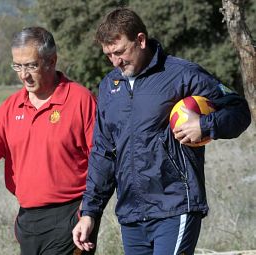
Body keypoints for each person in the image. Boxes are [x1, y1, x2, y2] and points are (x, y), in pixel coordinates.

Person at [72, 7, 251, 255]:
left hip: (175, 206)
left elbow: (238, 110)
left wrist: (205, 125)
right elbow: (103, 153)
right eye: (109, 55)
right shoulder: (109, 87)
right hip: (131, 215)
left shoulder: (182, 74)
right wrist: (90, 212)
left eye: (120, 52)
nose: (115, 61)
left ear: (141, 40)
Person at [0, 26, 98, 255]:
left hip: (71, 217)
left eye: (31, 65)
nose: (23, 75)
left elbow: (101, 162)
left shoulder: (80, 100)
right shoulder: (11, 107)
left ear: (52, 60)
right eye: (18, 66)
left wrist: (89, 211)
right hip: (28, 221)